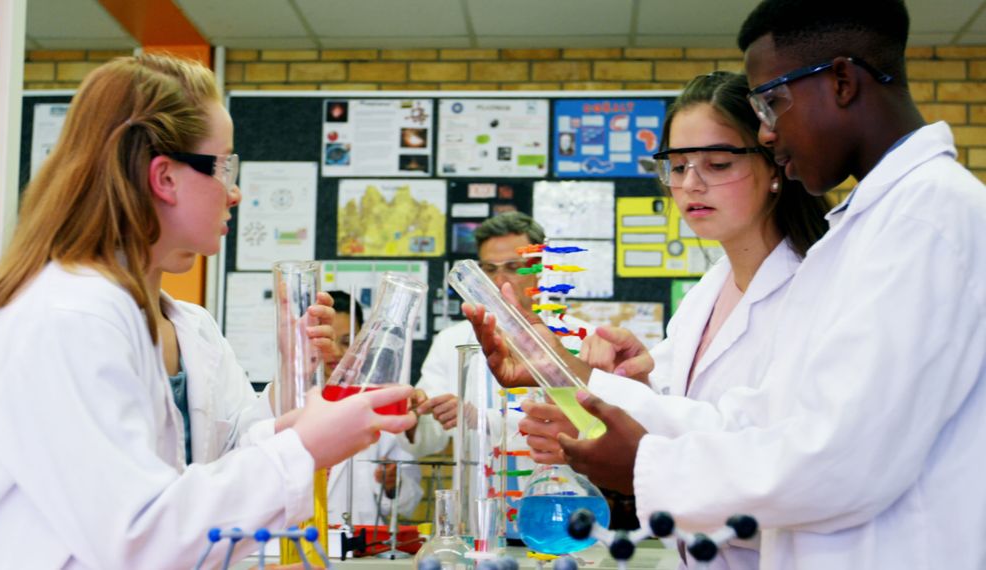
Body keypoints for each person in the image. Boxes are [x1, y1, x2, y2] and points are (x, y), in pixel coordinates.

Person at [470, 1, 986, 568]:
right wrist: (560, 368)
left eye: (772, 102)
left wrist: (644, 465)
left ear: (842, 81)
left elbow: (839, 461)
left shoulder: (924, 219)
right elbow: (745, 424)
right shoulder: (869, 230)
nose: (768, 130)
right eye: (678, 165)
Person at [0, 54, 414, 569]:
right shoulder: (69, 319)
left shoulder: (166, 321)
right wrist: (304, 448)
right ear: (165, 178)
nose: (236, 191)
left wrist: (292, 427)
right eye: (225, 166)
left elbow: (202, 473)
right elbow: (136, 538)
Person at [521, 70, 829, 570]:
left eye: (718, 163)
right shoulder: (707, 292)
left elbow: (757, 447)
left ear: (775, 163)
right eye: (678, 165)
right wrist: (636, 384)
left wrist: (586, 380)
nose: (691, 184)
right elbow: (679, 419)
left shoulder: (814, 288)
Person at [403, 212, 587, 458]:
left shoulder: (577, 337)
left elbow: (590, 425)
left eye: (512, 267)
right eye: (489, 269)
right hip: (476, 489)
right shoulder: (451, 341)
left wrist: (481, 418)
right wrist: (417, 415)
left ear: (539, 268)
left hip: (558, 490)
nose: (499, 281)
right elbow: (428, 440)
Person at [324, 291, 422, 526]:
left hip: (361, 550)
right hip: (293, 547)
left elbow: (410, 502)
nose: (337, 352)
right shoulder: (285, 402)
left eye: (348, 342)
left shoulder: (383, 404)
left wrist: (393, 484)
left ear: (363, 344)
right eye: (328, 341)